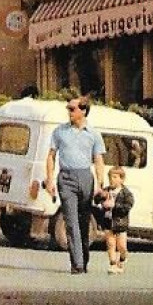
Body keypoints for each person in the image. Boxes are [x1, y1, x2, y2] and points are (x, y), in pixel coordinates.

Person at [45, 95, 107, 274]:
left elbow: (98, 159)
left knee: (83, 221)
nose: (69, 113)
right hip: (66, 178)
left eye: (72, 109)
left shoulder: (93, 134)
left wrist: (100, 184)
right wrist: (50, 179)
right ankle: (77, 263)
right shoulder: (59, 132)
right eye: (68, 109)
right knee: (70, 221)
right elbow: (51, 156)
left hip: (86, 177)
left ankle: (83, 259)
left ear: (83, 111)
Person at [94, 165, 135, 275]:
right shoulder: (106, 190)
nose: (113, 179)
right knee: (110, 243)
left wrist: (114, 205)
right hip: (108, 220)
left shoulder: (126, 193)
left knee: (121, 246)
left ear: (121, 179)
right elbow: (97, 200)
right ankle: (112, 264)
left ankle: (122, 258)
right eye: (111, 177)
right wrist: (99, 195)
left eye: (116, 177)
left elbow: (128, 206)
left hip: (120, 222)